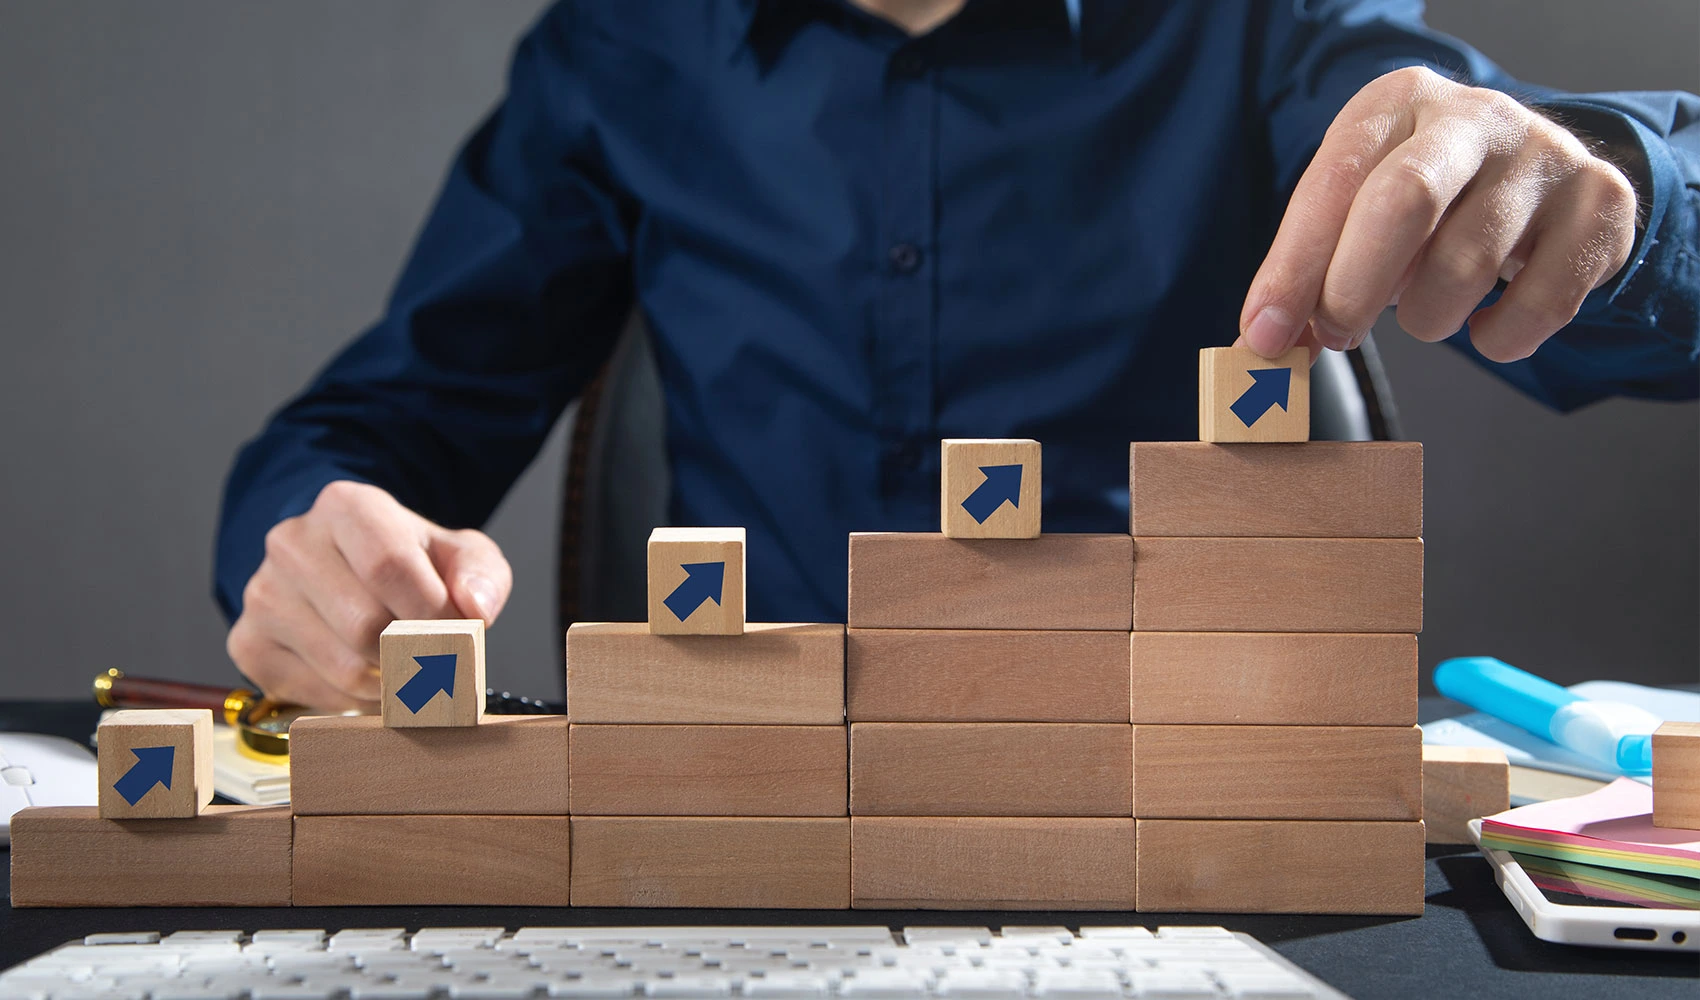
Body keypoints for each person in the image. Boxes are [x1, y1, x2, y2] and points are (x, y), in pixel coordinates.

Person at [215, 0, 1699, 711]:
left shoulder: (1262, 24)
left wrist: (1610, 198)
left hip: (1173, 802)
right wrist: (314, 552)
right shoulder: (623, 53)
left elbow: (1546, 227)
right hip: (748, 811)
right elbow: (380, 427)